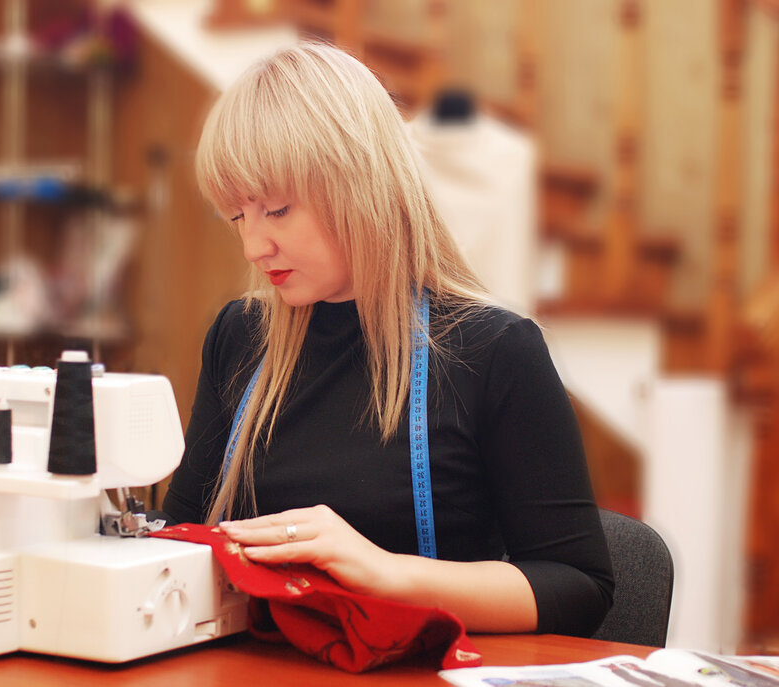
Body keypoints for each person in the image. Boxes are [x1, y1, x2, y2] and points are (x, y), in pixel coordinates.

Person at [161, 43, 613, 637]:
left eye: (277, 210)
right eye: (238, 216)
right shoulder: (241, 335)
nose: (253, 247)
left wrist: (385, 572)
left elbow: (579, 585)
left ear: (359, 183)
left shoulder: (494, 351)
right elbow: (180, 536)